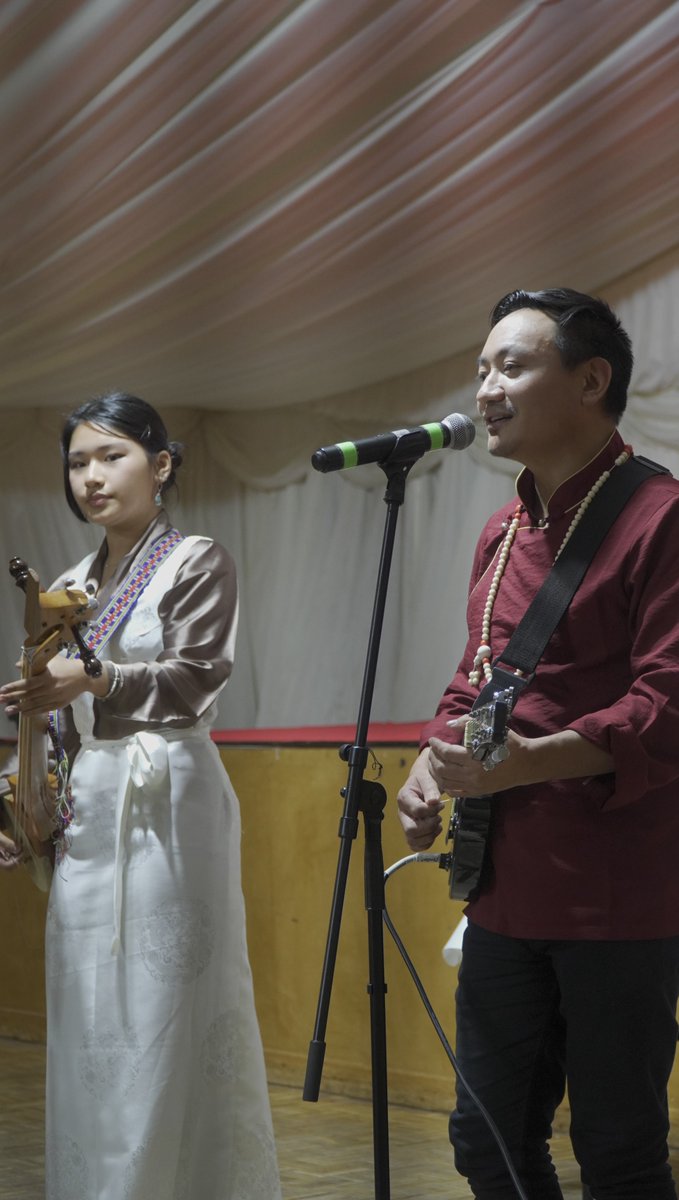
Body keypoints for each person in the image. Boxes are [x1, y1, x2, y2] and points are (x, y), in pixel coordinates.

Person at [397, 289, 679, 1200]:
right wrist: (425, 767)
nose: (485, 389)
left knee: (619, 1152)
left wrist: (527, 761)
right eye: (480, 369)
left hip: (619, 895)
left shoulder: (661, 516)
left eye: (511, 366)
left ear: (591, 380)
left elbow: (666, 705)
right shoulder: (500, 529)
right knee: (487, 1144)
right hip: (502, 887)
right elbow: (472, 682)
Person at [0, 392, 281, 1200]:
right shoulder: (66, 585)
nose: (90, 476)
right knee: (92, 1009)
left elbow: (194, 682)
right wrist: (24, 800)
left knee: (165, 1002)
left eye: (111, 456)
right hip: (92, 799)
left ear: (160, 466)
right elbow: (57, 728)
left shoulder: (197, 558)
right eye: (78, 461)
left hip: (169, 796)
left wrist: (90, 677)